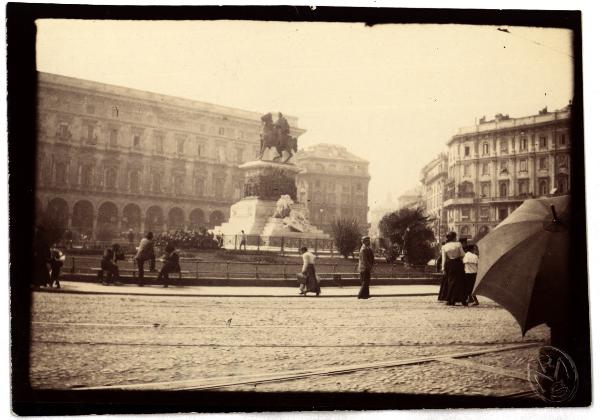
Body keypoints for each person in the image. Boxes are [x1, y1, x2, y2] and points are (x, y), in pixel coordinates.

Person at [441, 232, 467, 306]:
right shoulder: (458, 244)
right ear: (454, 237)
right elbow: (463, 254)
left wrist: (443, 268)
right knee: (461, 281)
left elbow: (444, 258)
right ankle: (462, 299)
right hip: (457, 263)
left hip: (449, 264)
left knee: (451, 281)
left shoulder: (444, 246)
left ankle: (450, 299)